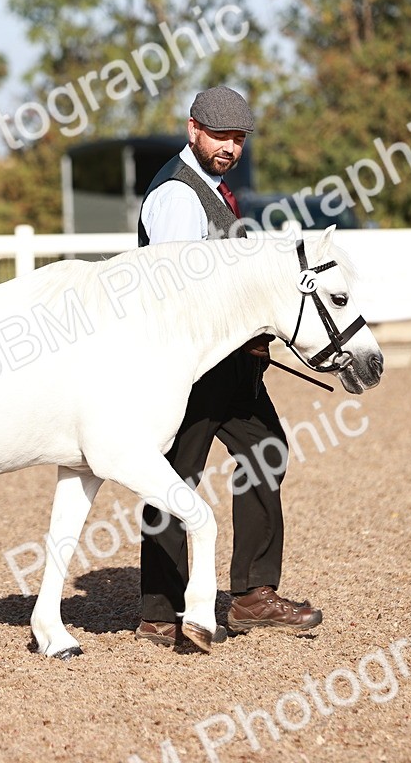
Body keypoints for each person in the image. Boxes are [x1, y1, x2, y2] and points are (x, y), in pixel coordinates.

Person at [135, 85, 322, 646]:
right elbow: (177, 290)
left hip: (231, 364)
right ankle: (160, 609)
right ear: (193, 129)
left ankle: (252, 596)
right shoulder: (178, 195)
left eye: (239, 139)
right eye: (220, 136)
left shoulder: (214, 190)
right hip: (191, 369)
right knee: (175, 478)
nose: (230, 148)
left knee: (267, 453)